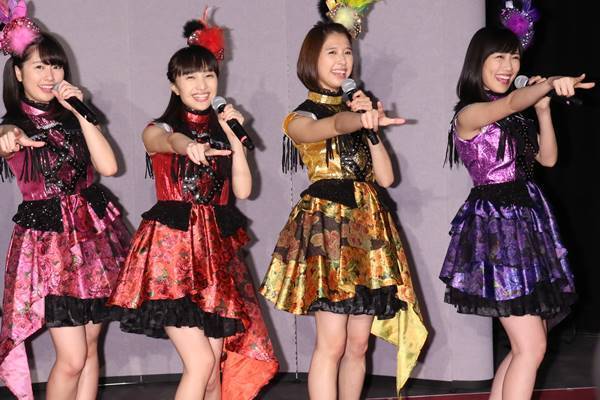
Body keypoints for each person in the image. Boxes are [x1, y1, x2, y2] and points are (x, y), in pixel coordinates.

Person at [107, 13, 277, 400]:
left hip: (215, 257)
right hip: (171, 258)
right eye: (190, 77)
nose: (201, 85)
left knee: (213, 371)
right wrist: (188, 146)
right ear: (174, 84)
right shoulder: (161, 127)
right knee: (199, 364)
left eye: (209, 76)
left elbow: (244, 190)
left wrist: (234, 139)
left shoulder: (224, 130)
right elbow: (162, 141)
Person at [260, 19, 427, 399]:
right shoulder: (300, 116)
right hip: (328, 231)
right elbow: (328, 126)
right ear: (311, 59)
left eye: (347, 52)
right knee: (332, 343)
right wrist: (355, 119)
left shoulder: (359, 111)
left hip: (368, 230)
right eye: (332, 52)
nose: (342, 60)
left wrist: (371, 129)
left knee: (358, 344)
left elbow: (386, 178)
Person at [440, 26, 594, 400]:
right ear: (478, 63)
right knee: (531, 347)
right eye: (499, 57)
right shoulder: (471, 112)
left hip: (526, 227)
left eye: (514, 57)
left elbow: (548, 158)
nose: (508, 66)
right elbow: (509, 104)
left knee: (529, 344)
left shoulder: (517, 117)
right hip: (497, 230)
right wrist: (550, 83)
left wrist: (542, 109)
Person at [0, 4, 130, 399]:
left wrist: (82, 113)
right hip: (50, 244)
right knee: (71, 358)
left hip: (94, 235)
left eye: (55, 66)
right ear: (18, 73)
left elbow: (108, 166)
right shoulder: (14, 124)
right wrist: (8, 138)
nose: (50, 75)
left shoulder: (76, 117)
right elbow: (4, 138)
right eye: (39, 66)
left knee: (90, 350)